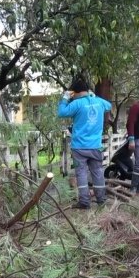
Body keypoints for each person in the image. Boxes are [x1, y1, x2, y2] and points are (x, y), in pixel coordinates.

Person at [57, 77, 112, 209]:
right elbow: (109, 105)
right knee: (98, 173)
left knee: (81, 173)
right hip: (95, 146)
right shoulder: (99, 102)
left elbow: (61, 112)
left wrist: (65, 98)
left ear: (74, 92)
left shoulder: (76, 104)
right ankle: (101, 200)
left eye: (72, 94)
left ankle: (84, 202)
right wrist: (93, 96)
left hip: (79, 147)